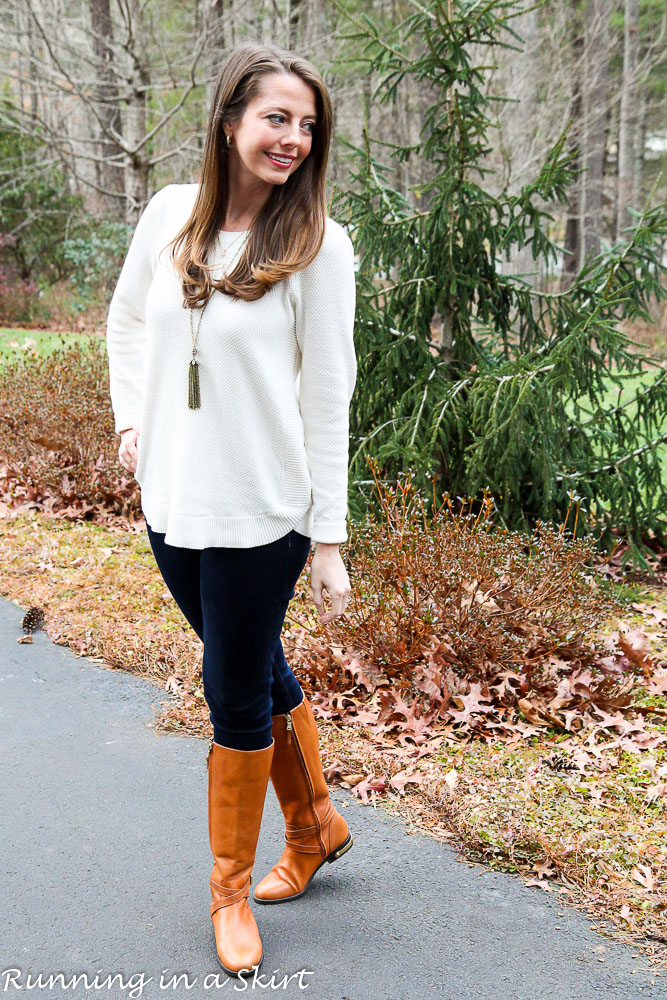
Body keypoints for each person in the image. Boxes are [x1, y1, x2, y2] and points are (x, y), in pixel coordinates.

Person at [105, 41, 356, 979]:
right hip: (171, 500)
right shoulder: (171, 214)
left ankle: (229, 891)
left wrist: (325, 537)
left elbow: (328, 394)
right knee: (248, 663)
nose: (292, 138)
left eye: (306, 124)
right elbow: (128, 322)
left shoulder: (318, 246)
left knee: (230, 688)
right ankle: (317, 821)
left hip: (264, 511)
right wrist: (132, 420)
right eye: (274, 118)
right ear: (228, 120)